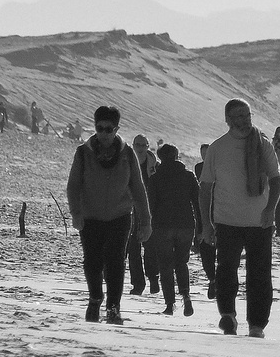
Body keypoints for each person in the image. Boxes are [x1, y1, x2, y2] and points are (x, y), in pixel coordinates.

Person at [200, 97, 280, 338]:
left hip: (259, 221)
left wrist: (270, 210)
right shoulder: (217, 148)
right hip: (227, 220)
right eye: (238, 116)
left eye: (247, 115)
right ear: (227, 120)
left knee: (259, 274)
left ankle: (257, 325)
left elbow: (276, 181)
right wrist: (206, 224)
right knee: (226, 270)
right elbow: (205, 188)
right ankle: (228, 315)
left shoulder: (262, 144)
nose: (244, 121)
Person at [65, 105, 151, 326]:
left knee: (115, 262)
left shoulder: (127, 153)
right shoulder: (83, 153)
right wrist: (75, 213)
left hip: (120, 216)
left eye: (108, 129)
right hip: (90, 216)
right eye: (99, 128)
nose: (103, 134)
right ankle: (95, 298)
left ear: (117, 129)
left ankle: (113, 307)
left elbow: (138, 188)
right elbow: (73, 185)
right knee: (92, 261)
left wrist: (146, 222)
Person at [146, 142, 201, 315]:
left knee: (165, 266)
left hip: (162, 226)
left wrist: (146, 225)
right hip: (185, 225)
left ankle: (170, 304)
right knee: (181, 263)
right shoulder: (188, 176)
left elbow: (150, 205)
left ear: (160, 158)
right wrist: (200, 226)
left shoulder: (156, 178)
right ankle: (186, 296)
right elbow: (197, 203)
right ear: (177, 156)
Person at [127, 135, 159, 295]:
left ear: (147, 146)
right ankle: (138, 284)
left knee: (150, 247)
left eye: (142, 145)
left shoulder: (154, 165)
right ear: (133, 145)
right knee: (133, 249)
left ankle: (153, 279)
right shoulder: (126, 163)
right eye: (137, 145)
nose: (139, 148)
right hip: (130, 211)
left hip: (150, 211)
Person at [194, 144, 217, 300]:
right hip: (203, 210)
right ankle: (212, 279)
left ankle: (218, 280)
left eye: (207, 153)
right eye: (203, 154)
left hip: (221, 211)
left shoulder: (220, 167)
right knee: (206, 250)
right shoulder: (199, 167)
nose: (205, 156)